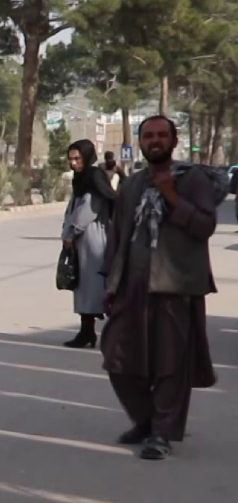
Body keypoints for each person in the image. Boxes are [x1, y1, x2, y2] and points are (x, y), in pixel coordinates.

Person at [100, 115, 227, 460]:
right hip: (133, 284)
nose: (154, 140)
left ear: (174, 140)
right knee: (117, 357)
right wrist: (111, 283)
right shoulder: (133, 184)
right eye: (148, 136)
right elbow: (118, 236)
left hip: (175, 284)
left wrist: (171, 195)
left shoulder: (193, 179)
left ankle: (162, 433)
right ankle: (145, 420)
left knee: (170, 362)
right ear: (140, 142)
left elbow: (204, 226)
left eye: (161, 135)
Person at [61, 140, 117, 348]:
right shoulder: (81, 179)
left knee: (94, 290)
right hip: (83, 240)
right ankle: (87, 332)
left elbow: (87, 210)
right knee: (85, 288)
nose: (74, 163)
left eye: (77, 158)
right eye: (71, 159)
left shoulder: (94, 178)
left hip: (92, 239)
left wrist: (71, 233)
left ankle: (100, 334)